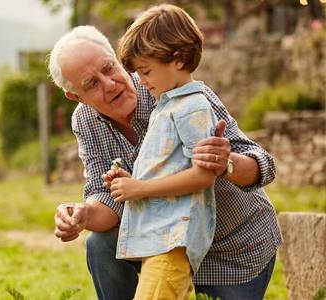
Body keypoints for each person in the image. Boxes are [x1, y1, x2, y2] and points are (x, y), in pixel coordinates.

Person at [48, 24, 281, 300]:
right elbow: (108, 198)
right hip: (163, 246)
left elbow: (263, 165)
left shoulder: (175, 87)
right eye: (92, 84)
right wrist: (83, 215)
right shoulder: (85, 120)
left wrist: (225, 161)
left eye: (109, 68)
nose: (109, 84)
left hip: (231, 247)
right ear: (76, 96)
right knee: (100, 244)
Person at [101, 4, 219, 299]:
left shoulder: (193, 106)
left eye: (146, 70)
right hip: (158, 241)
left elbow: (203, 176)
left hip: (172, 242)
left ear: (177, 60)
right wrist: (129, 181)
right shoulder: (168, 105)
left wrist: (141, 188)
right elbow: (171, 168)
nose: (141, 81)